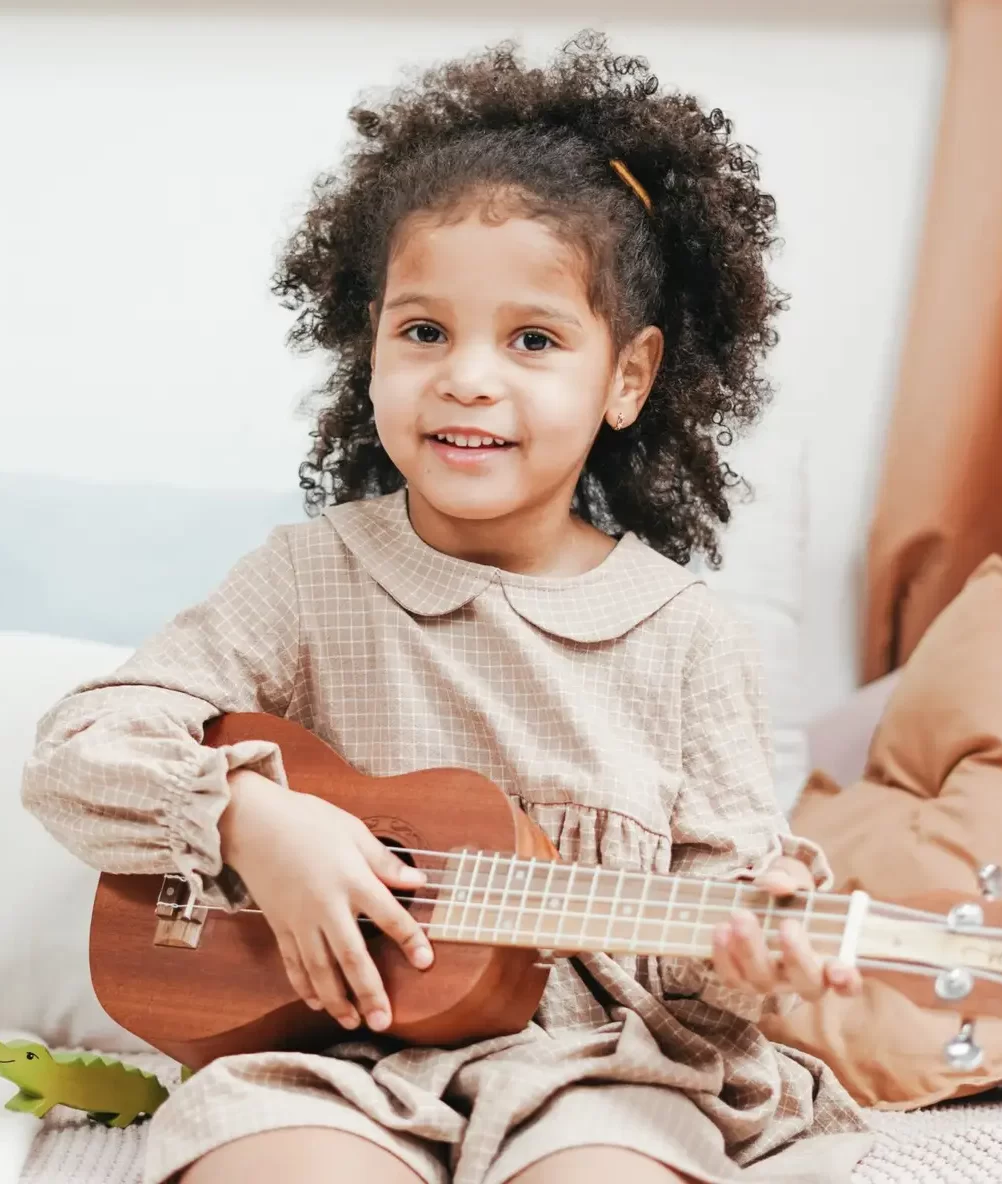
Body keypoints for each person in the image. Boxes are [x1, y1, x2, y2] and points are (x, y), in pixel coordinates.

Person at [22, 32, 871, 1184]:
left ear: (625, 376)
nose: (468, 375)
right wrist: (253, 824)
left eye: (532, 338)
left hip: (604, 1074)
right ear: (365, 345)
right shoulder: (306, 577)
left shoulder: (685, 636)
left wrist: (751, 952)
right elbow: (76, 750)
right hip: (333, 1054)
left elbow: (711, 939)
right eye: (424, 330)